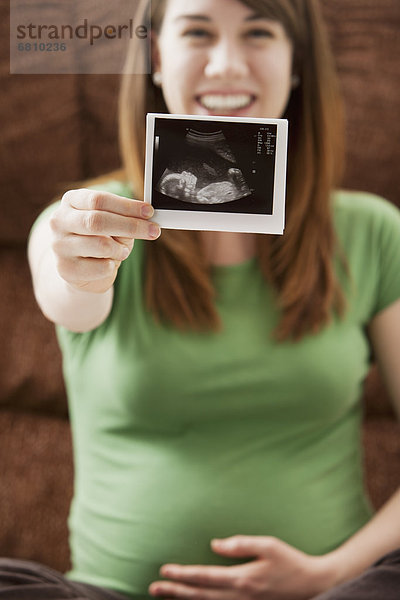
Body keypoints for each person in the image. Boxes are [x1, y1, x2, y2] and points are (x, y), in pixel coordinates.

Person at [11, 0, 400, 598]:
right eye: (197, 32)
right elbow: (69, 297)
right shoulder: (80, 221)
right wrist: (82, 270)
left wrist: (332, 572)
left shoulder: (374, 232)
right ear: (157, 57)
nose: (225, 65)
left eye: (258, 33)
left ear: (296, 64)